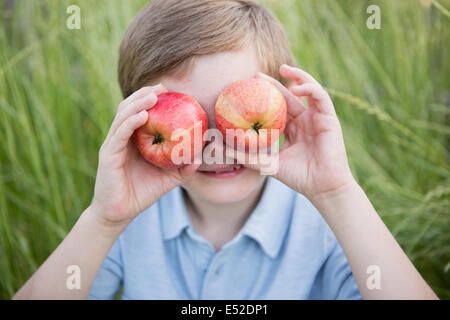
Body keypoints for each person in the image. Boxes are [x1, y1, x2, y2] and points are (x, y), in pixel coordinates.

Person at [14, 0, 437, 300]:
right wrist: (104, 220)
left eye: (237, 110)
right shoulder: (128, 222)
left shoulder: (326, 224)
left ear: (284, 106)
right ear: (136, 122)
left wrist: (338, 194)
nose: (216, 144)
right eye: (190, 118)